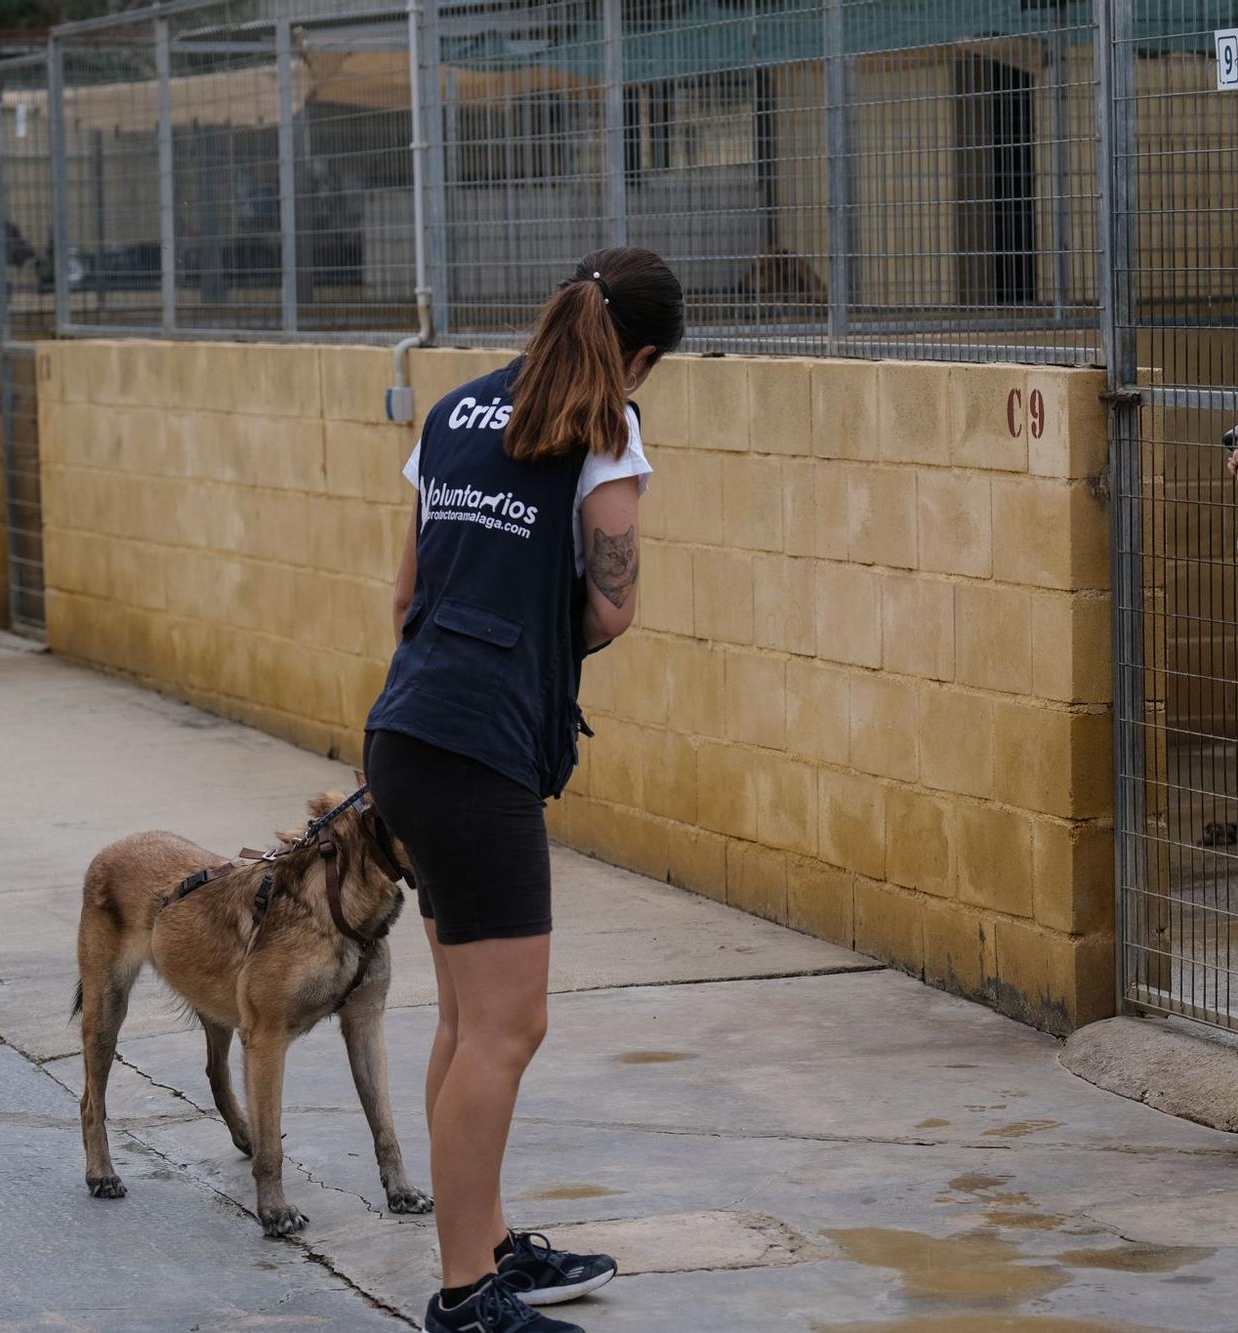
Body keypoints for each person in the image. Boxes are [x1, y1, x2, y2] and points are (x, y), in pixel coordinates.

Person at [364, 247, 685, 1333]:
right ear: (638, 356)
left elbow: (406, 590)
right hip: (479, 752)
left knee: (465, 1017)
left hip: (407, 732)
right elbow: (612, 608)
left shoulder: (452, 411)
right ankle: (466, 1295)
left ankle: (487, 1240)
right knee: (508, 1026)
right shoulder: (605, 430)